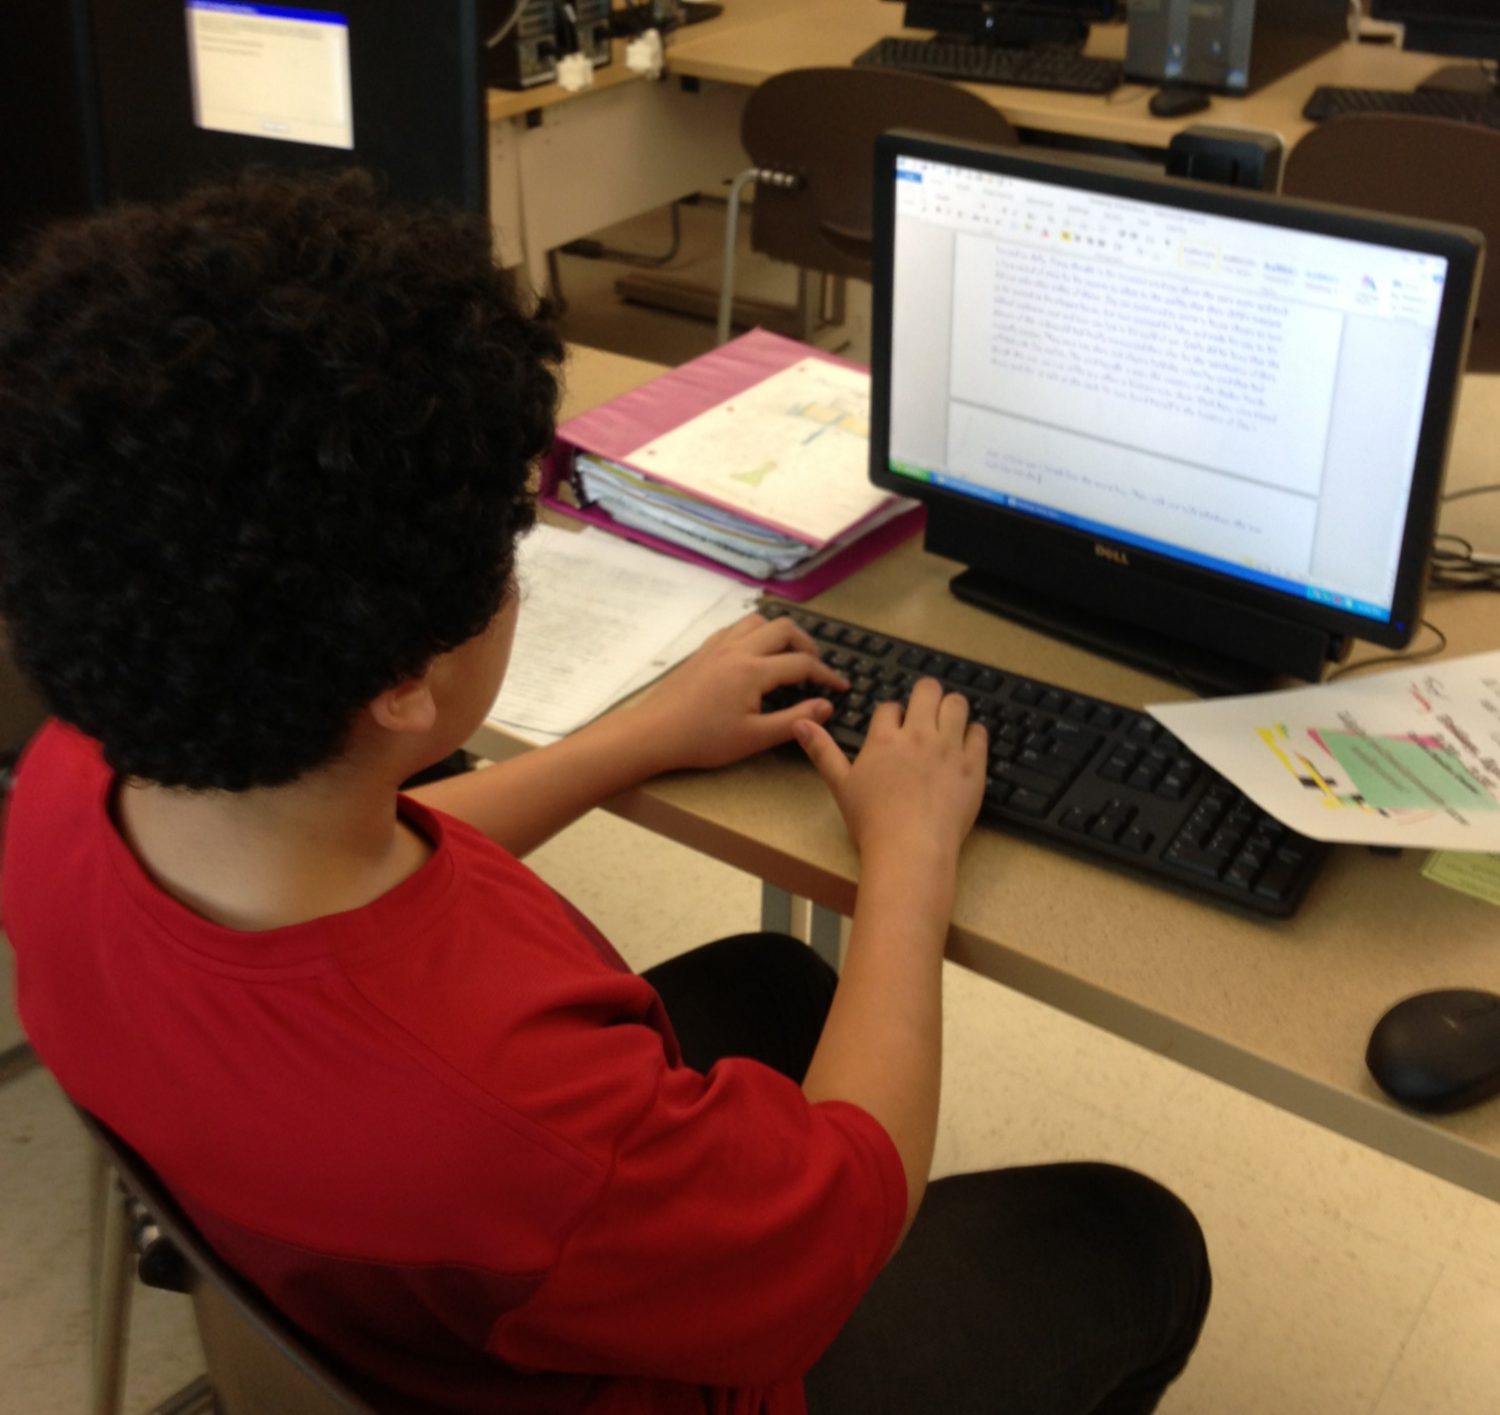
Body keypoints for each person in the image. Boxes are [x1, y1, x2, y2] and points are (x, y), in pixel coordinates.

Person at [0, 170, 1209, 1414]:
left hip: (365, 1271)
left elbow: (351, 861)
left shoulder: (73, 780)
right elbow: (854, 1205)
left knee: (784, 981)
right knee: (1134, 1240)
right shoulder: (513, 1128)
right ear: (406, 682)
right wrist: (909, 855)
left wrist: (634, 737)